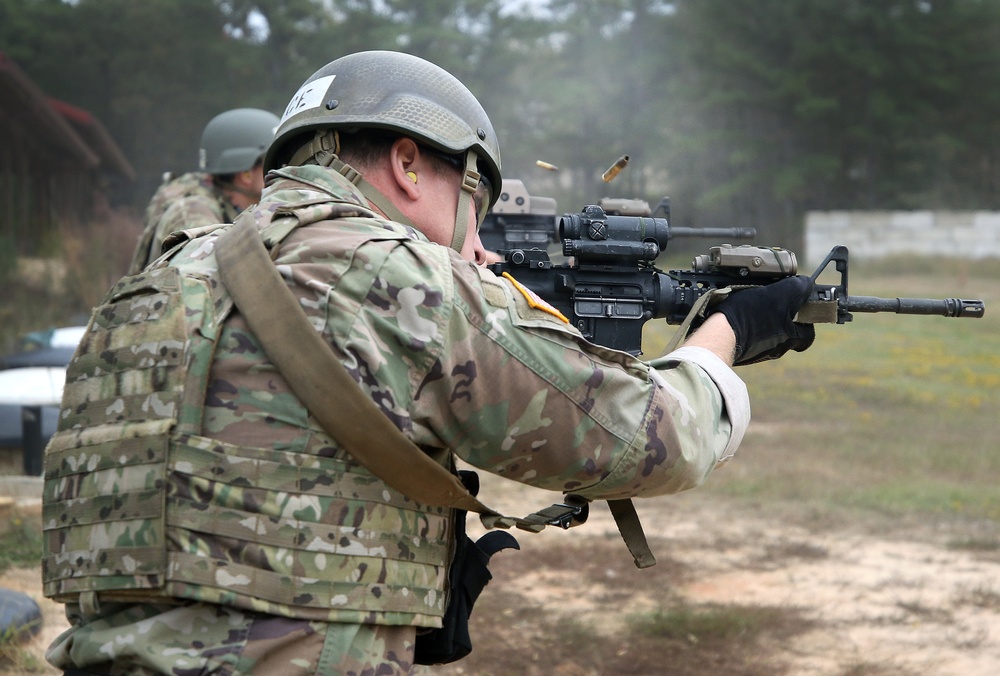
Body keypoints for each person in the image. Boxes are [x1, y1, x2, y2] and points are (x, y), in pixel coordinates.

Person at [41, 50, 816, 674]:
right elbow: (649, 436)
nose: (478, 244)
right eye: (475, 195)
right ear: (409, 164)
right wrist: (724, 336)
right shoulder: (389, 273)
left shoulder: (147, 286)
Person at [126, 107, 280, 273]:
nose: (282, 165)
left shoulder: (243, 207)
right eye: (273, 158)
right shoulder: (191, 214)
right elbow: (206, 281)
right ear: (246, 174)